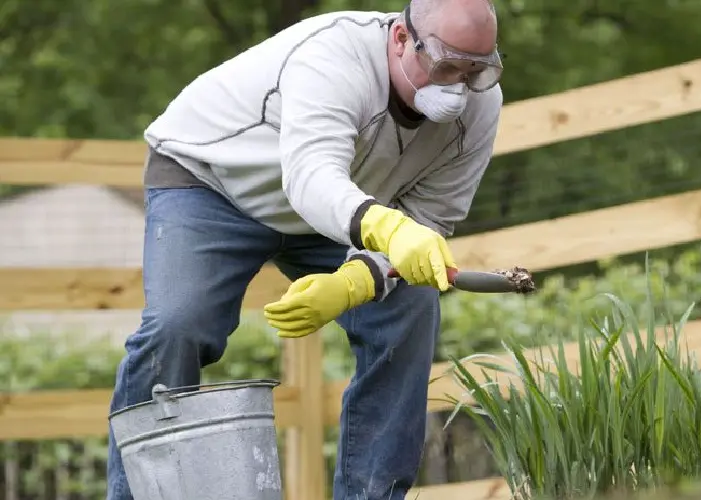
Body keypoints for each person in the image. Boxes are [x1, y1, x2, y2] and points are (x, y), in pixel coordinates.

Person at [104, 0, 503, 498]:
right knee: (179, 324)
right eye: (445, 66)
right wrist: (387, 228)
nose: (457, 88)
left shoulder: (479, 110)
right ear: (401, 38)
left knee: (410, 307)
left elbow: (429, 218)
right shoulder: (333, 57)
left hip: (340, 212)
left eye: (475, 72)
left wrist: (359, 279)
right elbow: (311, 174)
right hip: (213, 180)